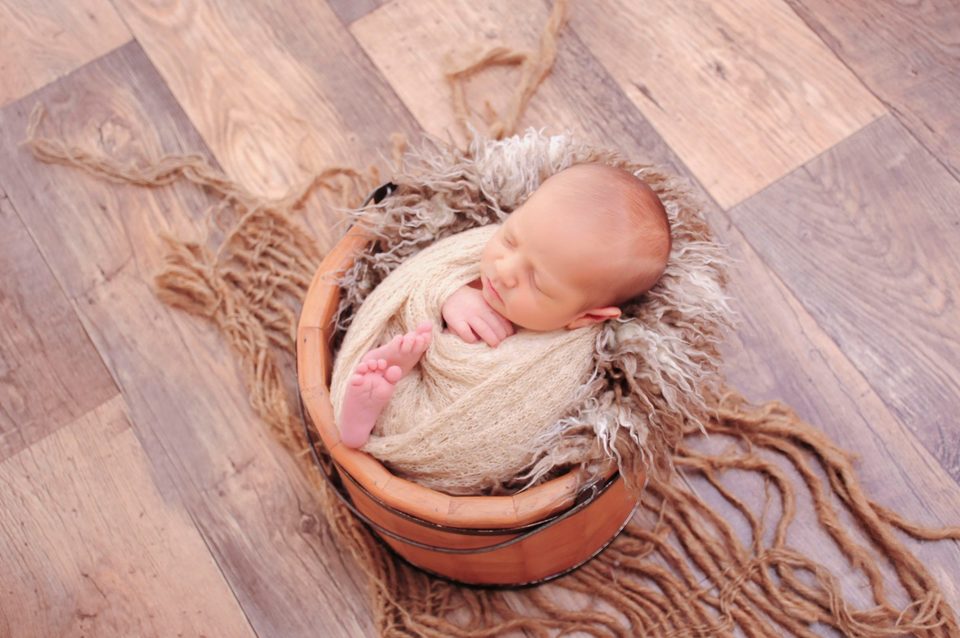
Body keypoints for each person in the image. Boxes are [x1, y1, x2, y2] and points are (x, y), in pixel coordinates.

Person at [338, 163, 672, 448]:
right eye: (510, 239)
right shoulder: (484, 253)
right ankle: (372, 394)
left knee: (440, 422)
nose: (504, 271)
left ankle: (367, 417)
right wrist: (449, 294)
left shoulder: (562, 357)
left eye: (537, 282)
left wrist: (461, 359)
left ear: (586, 317)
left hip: (447, 416)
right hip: (402, 356)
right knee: (404, 335)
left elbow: (516, 420)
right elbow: (424, 272)